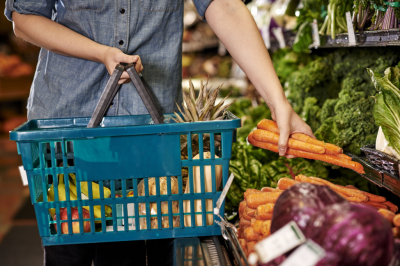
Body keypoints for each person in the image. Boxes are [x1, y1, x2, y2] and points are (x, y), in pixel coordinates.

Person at [5, 0, 314, 265]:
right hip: (64, 131)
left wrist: (278, 102)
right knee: (69, 253)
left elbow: (226, 6)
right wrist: (99, 53)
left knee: (140, 253)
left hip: (148, 135)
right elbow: (24, 18)